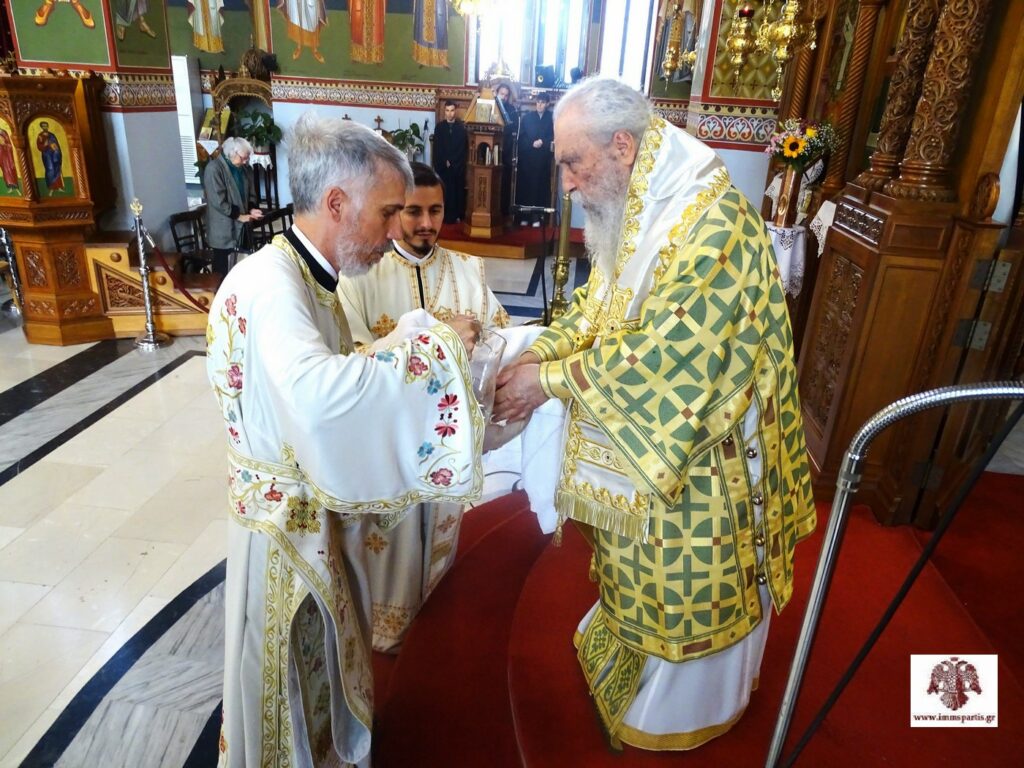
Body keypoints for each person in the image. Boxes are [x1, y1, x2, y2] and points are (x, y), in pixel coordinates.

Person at [493, 78, 816, 751]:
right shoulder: (636, 202)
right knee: (634, 563)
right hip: (652, 433)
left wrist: (545, 382)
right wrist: (540, 353)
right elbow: (597, 307)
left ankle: (686, 698)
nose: (569, 184)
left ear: (621, 146)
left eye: (573, 163)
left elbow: (664, 355)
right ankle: (628, 651)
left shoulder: (708, 221)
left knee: (686, 569)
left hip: (704, 442)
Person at [207, 113, 484, 767]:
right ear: (336, 203)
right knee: (288, 685)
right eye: (387, 213)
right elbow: (322, 399)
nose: (395, 233)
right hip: (285, 535)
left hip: (297, 516)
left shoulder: (299, 276)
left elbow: (327, 377)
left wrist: (406, 336)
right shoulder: (277, 289)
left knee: (317, 675)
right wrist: (436, 347)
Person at [337, 161, 508, 652]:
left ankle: (435, 637)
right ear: (394, 211)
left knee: (443, 547)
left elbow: (500, 335)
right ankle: (386, 638)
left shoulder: (466, 270)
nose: (426, 224)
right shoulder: (361, 276)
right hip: (390, 449)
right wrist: (435, 339)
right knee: (389, 552)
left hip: (449, 444)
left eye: (436, 210)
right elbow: (350, 364)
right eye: (413, 211)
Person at [203, 136, 262, 277]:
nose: (246, 161)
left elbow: (251, 193)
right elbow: (219, 201)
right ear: (232, 153)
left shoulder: (245, 169)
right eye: (243, 158)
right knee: (223, 271)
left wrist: (251, 208)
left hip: (242, 226)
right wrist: (239, 216)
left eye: (247, 158)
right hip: (223, 228)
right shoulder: (214, 169)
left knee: (242, 267)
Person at [515, 92, 554, 226]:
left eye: (542, 102)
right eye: (538, 102)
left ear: (547, 104)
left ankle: (537, 217)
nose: (539, 105)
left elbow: (553, 137)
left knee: (539, 188)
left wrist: (542, 142)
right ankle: (525, 216)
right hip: (528, 158)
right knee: (525, 186)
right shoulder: (528, 117)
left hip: (542, 159)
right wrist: (531, 143)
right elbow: (522, 137)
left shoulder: (551, 119)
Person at [432, 101, 467, 224]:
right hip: (443, 166)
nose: (449, 113)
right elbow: (438, 147)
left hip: (457, 165)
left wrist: (452, 161)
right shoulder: (440, 127)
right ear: (444, 111)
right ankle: (444, 215)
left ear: (455, 111)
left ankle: (456, 214)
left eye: (452, 110)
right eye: (447, 110)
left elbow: (462, 147)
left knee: (457, 190)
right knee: (444, 190)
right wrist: (444, 160)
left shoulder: (461, 128)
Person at [494, 82, 519, 218]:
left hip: (507, 152)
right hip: (491, 152)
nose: (503, 97)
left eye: (506, 95)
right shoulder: (491, 106)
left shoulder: (511, 110)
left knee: (504, 182)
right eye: (501, 94)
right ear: (497, 93)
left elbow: (513, 128)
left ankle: (503, 212)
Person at [35, 122, 64, 195]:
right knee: (50, 169)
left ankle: (59, 187)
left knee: (57, 168)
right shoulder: (40, 136)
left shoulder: (52, 135)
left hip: (55, 154)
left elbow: (56, 145)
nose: (45, 127)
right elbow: (39, 147)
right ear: (41, 127)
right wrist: (45, 144)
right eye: (43, 126)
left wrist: (56, 149)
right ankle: (51, 188)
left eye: (46, 126)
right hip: (47, 155)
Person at [0, 128, 19, 192]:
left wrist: (4, 144)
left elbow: (9, 145)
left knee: (10, 169)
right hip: (1, 155)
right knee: (5, 171)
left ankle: (15, 185)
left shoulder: (3, 132)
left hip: (7, 156)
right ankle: (9, 186)